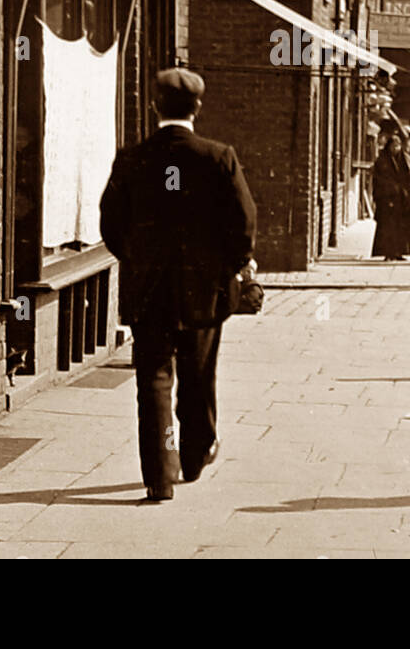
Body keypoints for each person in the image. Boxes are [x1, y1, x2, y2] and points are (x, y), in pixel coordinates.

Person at [99, 68, 258, 503]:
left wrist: (138, 261)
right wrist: (233, 264)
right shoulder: (218, 157)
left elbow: (111, 225)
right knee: (198, 373)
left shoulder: (131, 160)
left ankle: (160, 476)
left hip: (149, 291)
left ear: (155, 107)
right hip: (204, 291)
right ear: (197, 108)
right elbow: (243, 223)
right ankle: (195, 453)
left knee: (153, 379)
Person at [371, 132, 410, 260]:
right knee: (388, 228)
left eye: (398, 146)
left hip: (402, 200)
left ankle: (399, 252)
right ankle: (388, 253)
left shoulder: (405, 159)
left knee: (401, 227)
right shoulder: (382, 161)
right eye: (393, 146)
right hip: (387, 199)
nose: (396, 149)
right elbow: (379, 180)